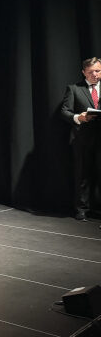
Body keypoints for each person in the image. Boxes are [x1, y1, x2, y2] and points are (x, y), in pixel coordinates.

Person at [60, 57, 101, 221]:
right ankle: (82, 209)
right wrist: (79, 117)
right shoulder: (74, 89)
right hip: (83, 138)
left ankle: (98, 207)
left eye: (98, 71)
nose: (95, 75)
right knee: (83, 175)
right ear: (84, 72)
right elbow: (65, 111)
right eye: (91, 72)